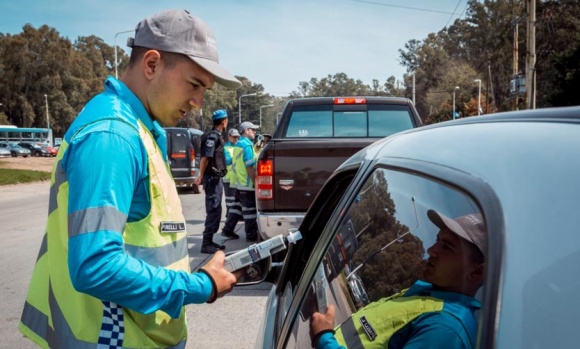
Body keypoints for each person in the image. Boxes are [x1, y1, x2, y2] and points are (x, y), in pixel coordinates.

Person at [19, 9, 244, 349]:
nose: (198, 103)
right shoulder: (114, 135)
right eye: (194, 84)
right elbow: (96, 265)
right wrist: (200, 286)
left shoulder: (139, 130)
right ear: (151, 64)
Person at [310, 209, 486, 349]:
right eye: (437, 240)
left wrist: (324, 338)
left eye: (447, 246)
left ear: (477, 272)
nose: (431, 250)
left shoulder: (447, 330)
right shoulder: (427, 295)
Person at [220, 121, 260, 242]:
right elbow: (249, 166)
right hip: (247, 184)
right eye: (253, 130)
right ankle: (251, 234)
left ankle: (227, 229)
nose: (255, 132)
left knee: (236, 207)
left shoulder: (238, 145)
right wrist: (255, 182)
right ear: (246, 130)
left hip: (239, 183)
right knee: (250, 211)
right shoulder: (247, 146)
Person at [195, 109, 229, 254]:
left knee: (216, 209)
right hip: (212, 178)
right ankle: (206, 243)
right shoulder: (212, 137)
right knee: (213, 209)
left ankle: (210, 241)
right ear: (224, 121)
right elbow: (205, 158)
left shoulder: (217, 136)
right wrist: (200, 175)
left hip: (216, 178)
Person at [222, 128, 242, 230]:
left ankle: (234, 216)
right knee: (230, 200)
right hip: (228, 178)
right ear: (229, 136)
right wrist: (237, 156)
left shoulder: (238, 146)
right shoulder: (225, 148)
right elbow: (228, 161)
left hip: (237, 177)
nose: (236, 139)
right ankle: (229, 216)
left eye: (237, 137)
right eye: (234, 137)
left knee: (236, 199)